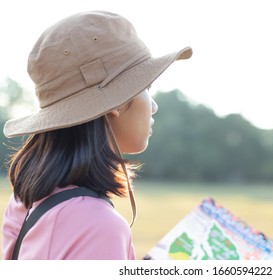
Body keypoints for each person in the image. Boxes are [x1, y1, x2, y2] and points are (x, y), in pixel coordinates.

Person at [1, 10, 192, 260]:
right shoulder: (98, 225)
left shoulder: (27, 199)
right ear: (115, 102)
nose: (153, 105)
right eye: (146, 87)